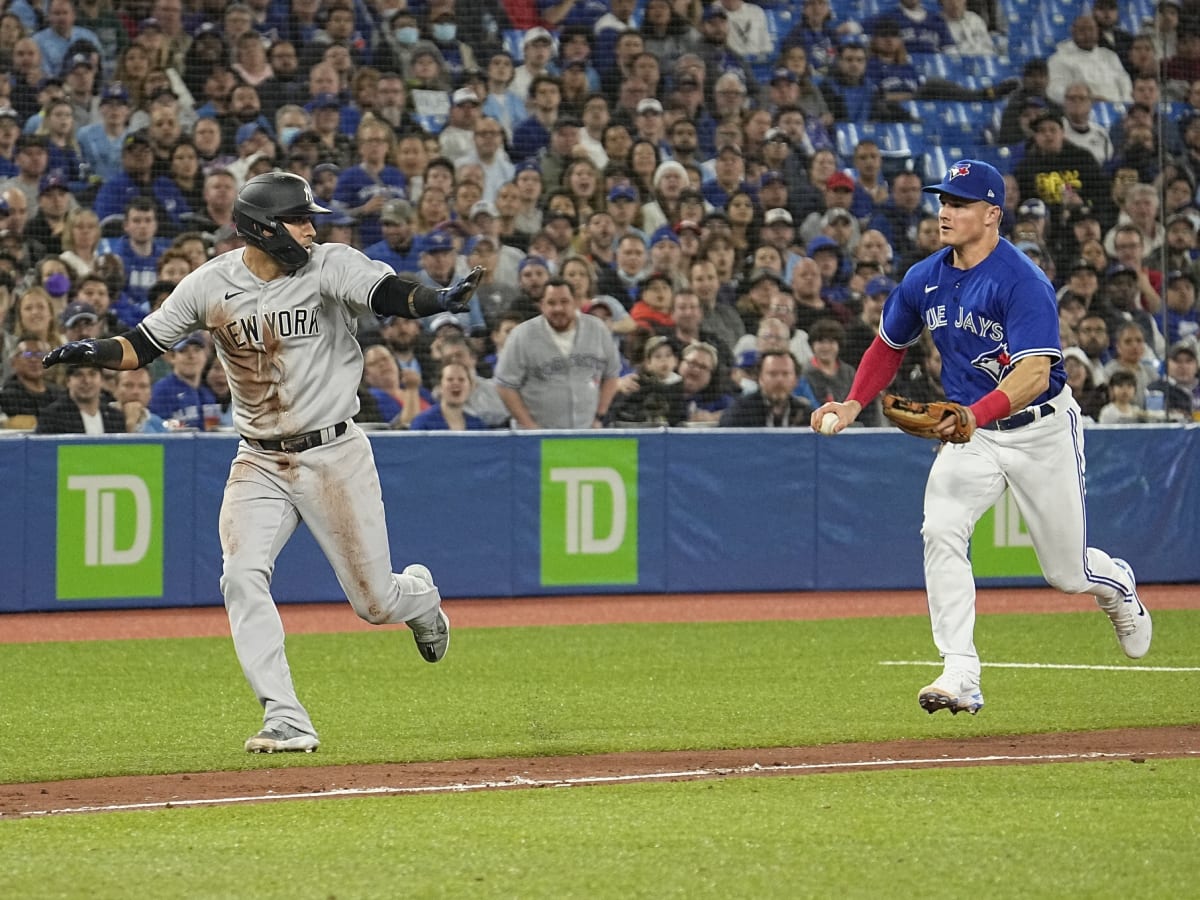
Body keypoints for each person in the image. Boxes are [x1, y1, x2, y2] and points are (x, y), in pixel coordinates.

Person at [41, 172, 483, 753]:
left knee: (375, 603)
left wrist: (436, 299)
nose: (311, 227)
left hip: (334, 452)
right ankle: (286, 717)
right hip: (260, 459)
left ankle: (421, 600)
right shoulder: (211, 283)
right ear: (263, 228)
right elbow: (142, 347)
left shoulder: (329, 264)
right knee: (241, 574)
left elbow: (388, 294)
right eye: (300, 218)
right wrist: (92, 352)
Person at [811, 159, 1152, 716]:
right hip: (974, 437)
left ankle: (1115, 583)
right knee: (940, 529)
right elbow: (888, 345)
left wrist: (975, 413)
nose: (945, 212)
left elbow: (1034, 374)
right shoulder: (924, 278)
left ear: (992, 214)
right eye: (943, 201)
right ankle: (960, 672)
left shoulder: (1022, 281)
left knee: (1066, 573)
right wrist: (853, 401)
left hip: (1039, 430)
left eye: (960, 203)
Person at [495, 277, 621, 429]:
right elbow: (504, 385)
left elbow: (612, 374)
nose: (558, 309)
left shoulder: (597, 329)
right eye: (551, 303)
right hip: (539, 436)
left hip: (585, 433)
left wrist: (599, 415)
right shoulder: (522, 335)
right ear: (541, 305)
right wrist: (529, 426)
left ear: (575, 302)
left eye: (564, 301)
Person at [718, 348, 812, 427]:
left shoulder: (806, 414)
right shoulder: (740, 412)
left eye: (785, 374)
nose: (779, 380)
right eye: (772, 374)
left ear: (796, 380)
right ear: (760, 378)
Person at [34, 361, 127, 434]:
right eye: (78, 374)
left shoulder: (115, 417)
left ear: (101, 379)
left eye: (92, 374)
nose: (86, 380)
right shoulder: (52, 417)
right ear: (68, 381)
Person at [407, 360, 486, 431]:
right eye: (450, 379)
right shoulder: (423, 422)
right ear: (439, 386)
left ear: (470, 387)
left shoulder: (477, 425)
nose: (456, 383)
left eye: (461, 379)